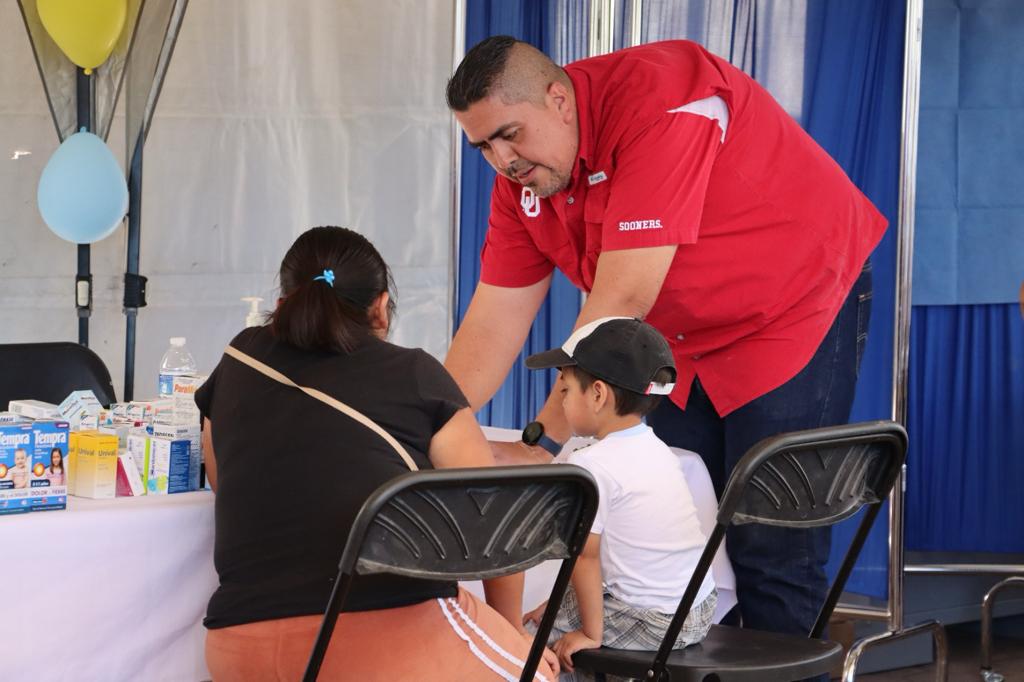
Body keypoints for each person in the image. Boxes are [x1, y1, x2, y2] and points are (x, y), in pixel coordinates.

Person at [444, 36, 884, 644]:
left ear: (558, 100)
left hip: (791, 308)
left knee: (769, 539)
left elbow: (621, 301)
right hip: (678, 338)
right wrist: (423, 428)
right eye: (483, 146)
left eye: (511, 134)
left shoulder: (663, 104)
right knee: (677, 535)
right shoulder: (522, 185)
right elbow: (493, 320)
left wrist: (542, 443)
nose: (502, 159)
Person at [195, 226, 557, 682]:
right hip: (385, 639)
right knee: (539, 674)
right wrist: (512, 633)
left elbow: (218, 476)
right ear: (382, 308)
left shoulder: (238, 358)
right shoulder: (415, 374)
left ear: (282, 306)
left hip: (237, 648)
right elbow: (494, 521)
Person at [521, 317, 717, 680]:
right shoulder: (658, 449)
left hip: (655, 621)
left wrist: (589, 632)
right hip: (698, 608)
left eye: (565, 390)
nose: (561, 402)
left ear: (597, 394)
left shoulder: (590, 465)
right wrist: (565, 609)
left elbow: (584, 555)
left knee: (527, 640)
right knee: (553, 618)